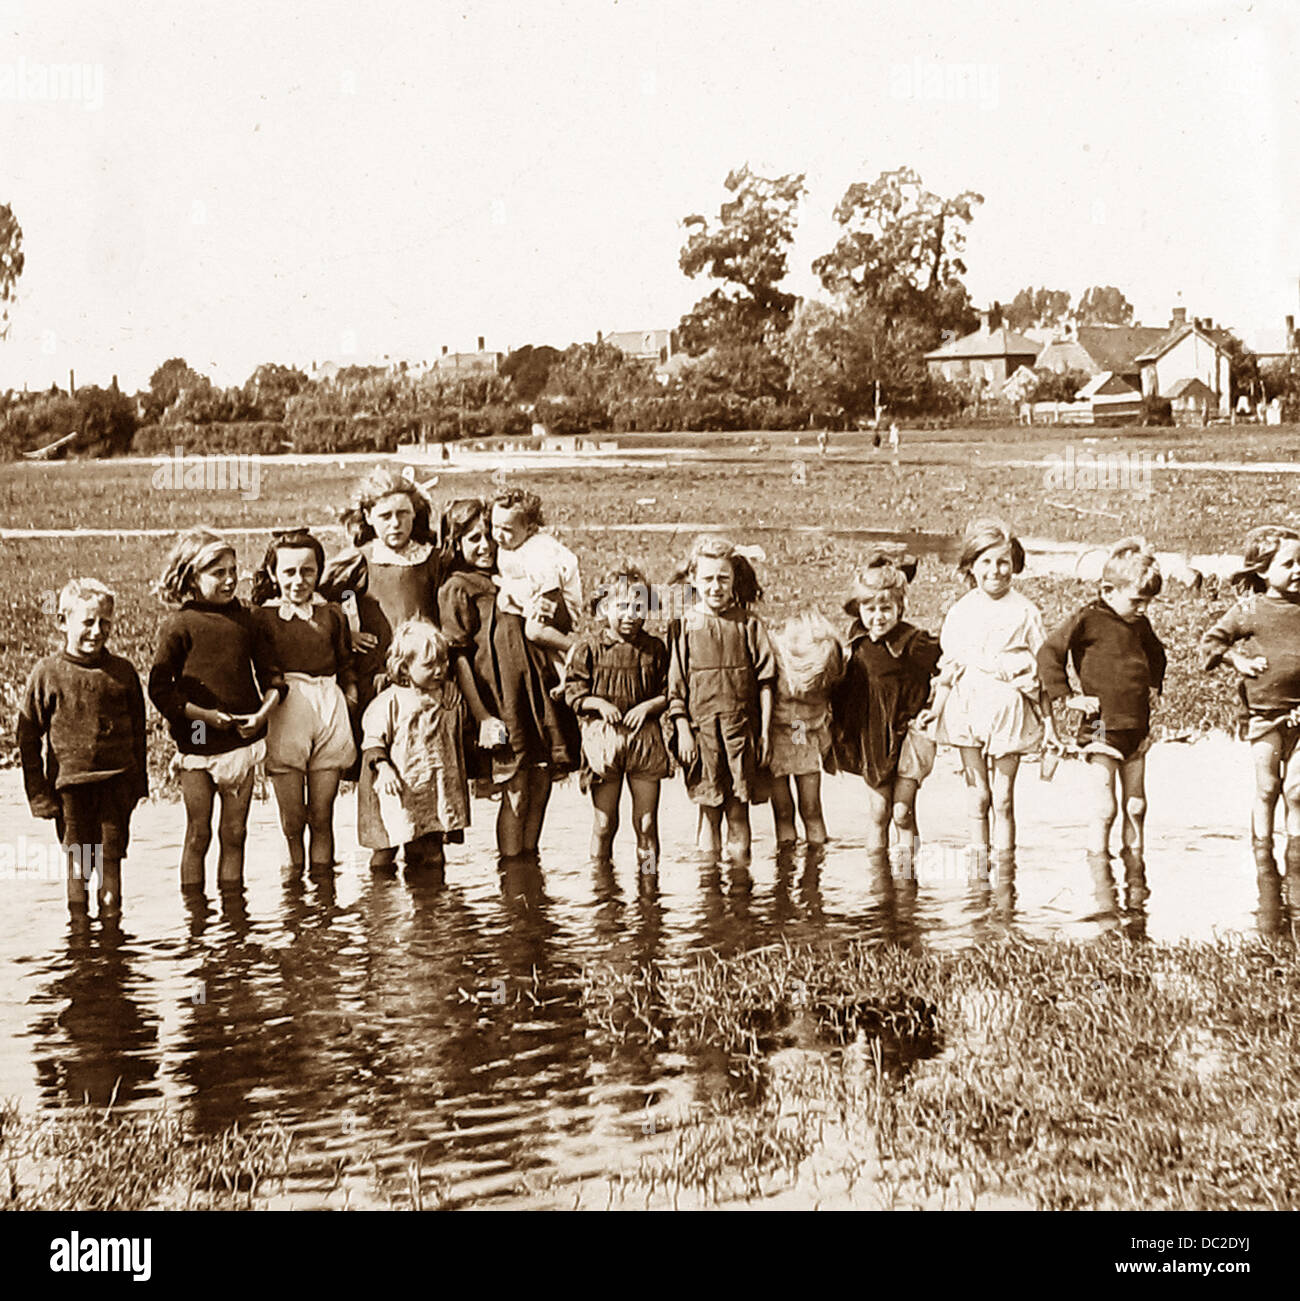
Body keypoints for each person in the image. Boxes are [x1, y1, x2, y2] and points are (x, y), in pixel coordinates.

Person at [438, 498, 579, 859]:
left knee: (542, 778)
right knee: (515, 786)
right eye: (473, 539)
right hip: (501, 699)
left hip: (537, 691)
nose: (485, 545)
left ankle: (530, 866)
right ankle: (513, 868)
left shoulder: (515, 567)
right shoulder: (458, 586)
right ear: (456, 544)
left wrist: (553, 606)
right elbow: (459, 658)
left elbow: (554, 614)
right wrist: (483, 716)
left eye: (489, 536)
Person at [148, 528, 285, 889]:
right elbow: (161, 690)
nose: (229, 581)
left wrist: (261, 715)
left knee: (235, 832)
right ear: (192, 577)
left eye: (233, 571)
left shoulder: (250, 619)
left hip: (240, 745)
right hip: (196, 747)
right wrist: (204, 716)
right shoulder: (178, 625)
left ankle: (233, 915)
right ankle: (195, 915)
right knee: (198, 832)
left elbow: (274, 680)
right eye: (217, 573)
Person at [932, 518, 1057, 878]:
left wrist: (1050, 726)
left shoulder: (1025, 612)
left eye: (1003, 562)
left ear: (1014, 564)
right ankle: (976, 877)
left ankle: (1005, 878)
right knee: (978, 796)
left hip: (1009, 713)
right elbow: (949, 668)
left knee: (1002, 799)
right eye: (986, 562)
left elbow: (1042, 672)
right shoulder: (960, 611)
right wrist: (935, 710)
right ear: (971, 565)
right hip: (967, 708)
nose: (995, 571)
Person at [17, 578, 148, 915]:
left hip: (117, 783)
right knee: (79, 865)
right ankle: (79, 936)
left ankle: (110, 931)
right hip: (71, 788)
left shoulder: (122, 672)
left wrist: (139, 783)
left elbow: (139, 730)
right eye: (87, 622)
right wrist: (38, 793)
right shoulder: (47, 673)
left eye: (104, 622)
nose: (96, 631)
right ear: (63, 621)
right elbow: (28, 737)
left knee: (110, 862)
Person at [1038, 539, 1165, 880]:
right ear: (1108, 589)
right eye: (1137, 600)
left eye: (1148, 602)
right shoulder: (1088, 619)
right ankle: (1100, 875)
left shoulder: (1140, 624)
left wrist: (1154, 685)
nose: (1143, 608)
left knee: (1136, 805)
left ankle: (1135, 871)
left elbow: (1157, 654)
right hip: (1098, 725)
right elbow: (1049, 653)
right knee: (1104, 805)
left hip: (1136, 724)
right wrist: (1067, 695)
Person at [251, 529, 358, 872]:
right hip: (286, 710)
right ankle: (293, 891)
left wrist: (350, 695)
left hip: (328, 706)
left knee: (323, 815)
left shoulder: (331, 614)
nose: (299, 580)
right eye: (289, 572)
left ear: (319, 571)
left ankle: (325, 893)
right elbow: (263, 670)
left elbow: (345, 664)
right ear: (273, 574)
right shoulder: (262, 617)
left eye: (307, 571)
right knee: (293, 819)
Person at [666, 535, 775, 864]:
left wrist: (766, 734)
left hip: (741, 732)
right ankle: (709, 896)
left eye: (723, 578)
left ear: (734, 579)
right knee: (709, 810)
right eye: (708, 579)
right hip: (703, 735)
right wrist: (682, 729)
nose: (715, 586)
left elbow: (766, 682)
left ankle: (740, 892)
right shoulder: (686, 625)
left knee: (738, 811)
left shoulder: (749, 624)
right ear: (693, 580)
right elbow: (676, 687)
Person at [831, 552, 941, 874]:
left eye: (886, 609)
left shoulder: (915, 642)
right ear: (858, 609)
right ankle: (879, 887)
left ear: (900, 609)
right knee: (879, 811)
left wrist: (934, 708)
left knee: (902, 812)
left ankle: (907, 880)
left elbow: (948, 670)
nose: (878, 617)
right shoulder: (856, 643)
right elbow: (837, 690)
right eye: (870, 609)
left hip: (909, 735)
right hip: (873, 737)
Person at [1201, 525, 1300, 877]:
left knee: (1297, 790)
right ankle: (1263, 856)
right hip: (1264, 714)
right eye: (1289, 564)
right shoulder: (1250, 609)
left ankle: (1295, 855)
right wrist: (1237, 660)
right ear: (1262, 570)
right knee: (1268, 786)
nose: (1298, 570)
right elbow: (1211, 643)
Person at [564, 566, 670, 872]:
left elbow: (670, 692)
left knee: (647, 824)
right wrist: (597, 703)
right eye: (622, 607)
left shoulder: (654, 649)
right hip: (604, 741)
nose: (630, 615)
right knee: (604, 822)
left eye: (639, 607)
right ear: (603, 608)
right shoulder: (590, 650)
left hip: (644, 741)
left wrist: (647, 707)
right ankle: (602, 883)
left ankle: (649, 880)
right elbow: (573, 692)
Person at [326, 465, 448, 714]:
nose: (395, 523)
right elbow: (331, 596)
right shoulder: (362, 559)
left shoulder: (433, 559)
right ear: (369, 516)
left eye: (403, 513)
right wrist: (349, 628)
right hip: (379, 673)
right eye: (385, 516)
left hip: (427, 670)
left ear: (415, 513)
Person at [359, 619, 469, 875]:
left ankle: (432, 904)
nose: (440, 670)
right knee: (387, 847)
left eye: (443, 662)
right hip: (399, 790)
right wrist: (383, 767)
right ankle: (382, 901)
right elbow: (373, 740)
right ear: (405, 669)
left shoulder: (447, 697)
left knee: (432, 850)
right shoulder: (390, 701)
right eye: (429, 665)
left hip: (433, 791)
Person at [489, 487, 582, 683]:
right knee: (545, 644)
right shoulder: (508, 545)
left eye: (507, 529)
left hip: (556, 599)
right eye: (495, 526)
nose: (498, 535)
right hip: (536, 595)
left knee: (535, 631)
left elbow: (551, 581)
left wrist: (544, 608)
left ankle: (576, 647)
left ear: (530, 529)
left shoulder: (537, 549)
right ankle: (565, 679)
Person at [768, 611, 844, 846]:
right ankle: (786, 855)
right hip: (777, 736)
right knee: (782, 809)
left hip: (805, 734)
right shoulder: (778, 655)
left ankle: (815, 859)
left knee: (811, 807)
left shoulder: (830, 658)